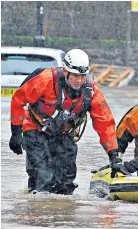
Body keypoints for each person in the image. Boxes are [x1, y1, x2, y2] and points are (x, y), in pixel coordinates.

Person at [9, 49, 125, 195]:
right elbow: (18, 100)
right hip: (35, 129)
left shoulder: (92, 92)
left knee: (65, 182)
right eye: (75, 76)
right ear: (65, 72)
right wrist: (16, 132)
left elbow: (106, 124)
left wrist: (113, 155)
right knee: (43, 178)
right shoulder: (45, 80)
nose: (79, 81)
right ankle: (36, 211)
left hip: (64, 134)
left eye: (83, 76)